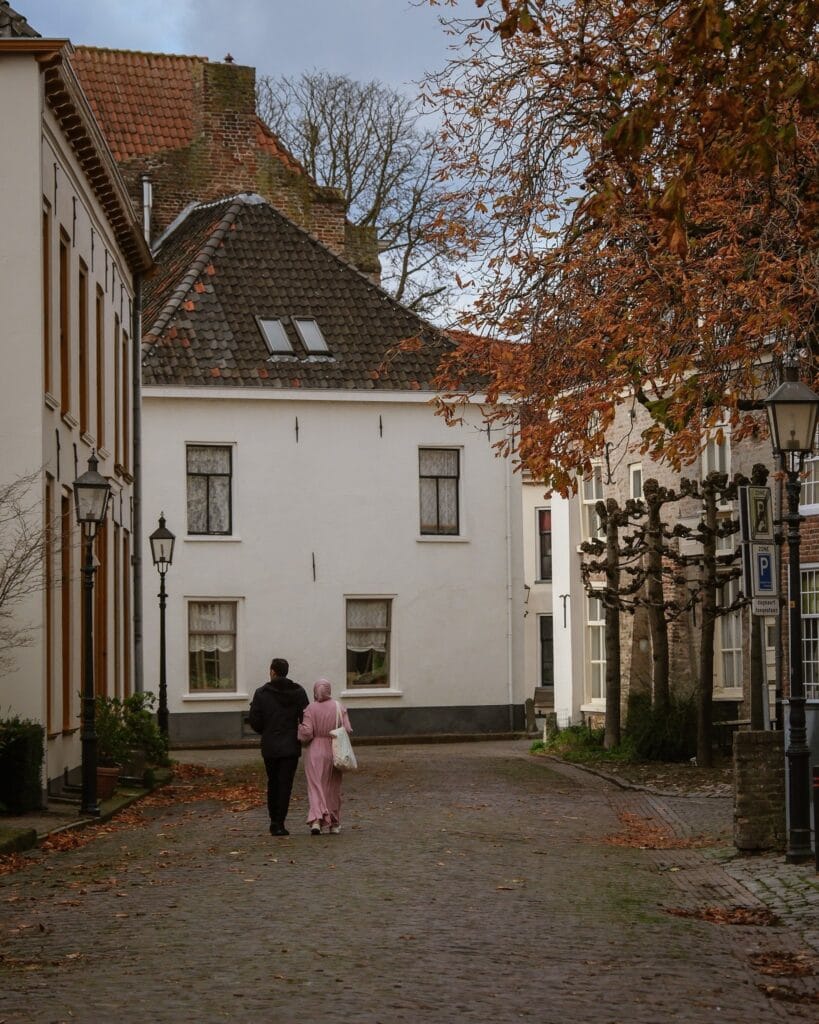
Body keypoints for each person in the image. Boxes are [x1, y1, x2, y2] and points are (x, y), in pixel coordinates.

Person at [248, 657, 309, 836]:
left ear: (272, 672)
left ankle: (274, 821)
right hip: (290, 745)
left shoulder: (261, 693)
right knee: (285, 784)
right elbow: (306, 717)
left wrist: (266, 730)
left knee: (273, 782)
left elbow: (255, 721)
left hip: (270, 745)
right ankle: (280, 822)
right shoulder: (298, 692)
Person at [298, 678, 353, 835]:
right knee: (332, 788)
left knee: (315, 786)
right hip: (334, 750)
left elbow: (307, 733)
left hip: (315, 751)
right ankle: (334, 823)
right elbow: (348, 728)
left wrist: (299, 728)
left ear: (315, 691)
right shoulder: (338, 707)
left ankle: (316, 820)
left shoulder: (310, 708)